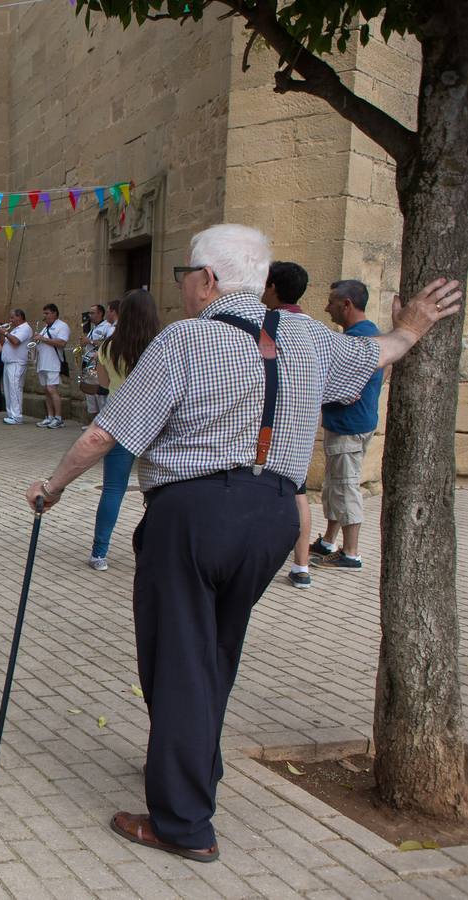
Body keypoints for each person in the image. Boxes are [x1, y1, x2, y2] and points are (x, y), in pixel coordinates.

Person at [24, 223, 461, 865]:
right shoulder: (310, 337)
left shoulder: (184, 340)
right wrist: (413, 327)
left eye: (185, 278)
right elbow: (379, 354)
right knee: (216, 648)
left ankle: (183, 823)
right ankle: (199, 764)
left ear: (209, 280)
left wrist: (51, 487)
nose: (182, 290)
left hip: (194, 514)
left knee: (178, 659)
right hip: (273, 517)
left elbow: (104, 434)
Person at [310, 280, 385, 571]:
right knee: (335, 484)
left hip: (348, 426)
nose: (327, 307)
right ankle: (329, 541)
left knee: (345, 486)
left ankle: (351, 552)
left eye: (331, 302)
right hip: (353, 423)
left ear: (347, 305)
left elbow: (346, 389)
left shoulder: (356, 341)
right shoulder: (370, 335)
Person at [87, 289, 160, 571]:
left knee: (113, 489)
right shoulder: (158, 344)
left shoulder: (108, 345)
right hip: (153, 421)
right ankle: (155, 548)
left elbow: (104, 384)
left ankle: (99, 552)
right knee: (160, 490)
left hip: (119, 419)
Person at [261, 260, 316, 587]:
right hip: (303, 427)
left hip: (269, 428)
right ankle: (302, 566)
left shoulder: (267, 323)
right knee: (299, 493)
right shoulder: (315, 328)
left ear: (271, 287)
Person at [29, 303, 71, 428]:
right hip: (42, 363)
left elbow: (62, 343)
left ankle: (58, 418)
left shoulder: (62, 326)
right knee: (46, 391)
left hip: (53, 363)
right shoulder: (45, 327)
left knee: (52, 390)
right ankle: (49, 417)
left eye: (47, 313)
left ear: (54, 313)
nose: (45, 316)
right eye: (44, 313)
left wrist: (43, 339)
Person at [0, 309, 32, 424]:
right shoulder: (15, 329)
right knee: (8, 389)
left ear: (19, 317)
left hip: (17, 363)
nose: (10, 320)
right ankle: (11, 414)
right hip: (8, 363)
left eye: (12, 318)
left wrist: (6, 332)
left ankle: (17, 416)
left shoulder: (25, 328)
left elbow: (16, 342)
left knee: (15, 389)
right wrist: (1, 334)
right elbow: (3, 343)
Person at [82, 302, 117, 417]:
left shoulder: (108, 326)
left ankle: (102, 422)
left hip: (100, 363)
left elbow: (107, 344)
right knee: (90, 393)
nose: (89, 315)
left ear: (100, 313)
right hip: (89, 363)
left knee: (100, 394)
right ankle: (93, 422)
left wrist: (90, 341)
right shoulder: (92, 328)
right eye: (89, 313)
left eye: (92, 313)